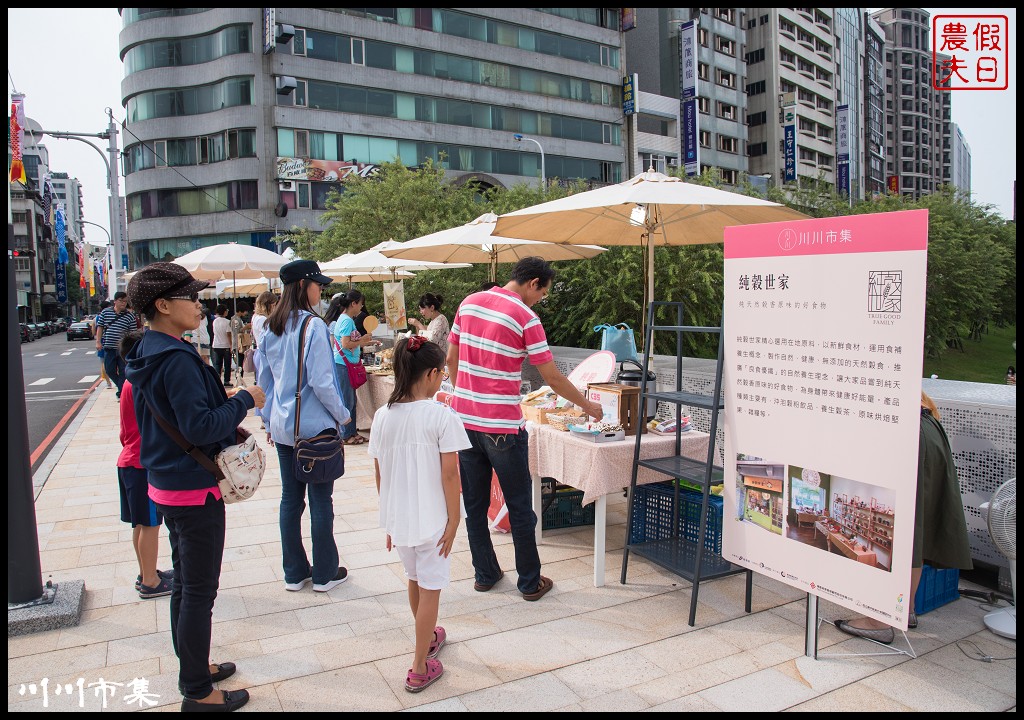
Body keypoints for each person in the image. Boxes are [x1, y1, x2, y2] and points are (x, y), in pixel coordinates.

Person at [124, 262, 265, 712]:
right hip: (193, 489)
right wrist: (244, 400)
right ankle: (198, 693)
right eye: (191, 297)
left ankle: (195, 666)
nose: (199, 304)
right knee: (198, 591)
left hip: (168, 484)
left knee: (186, 585)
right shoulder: (177, 358)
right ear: (163, 305)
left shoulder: (149, 351)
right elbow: (202, 427)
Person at [446, 257, 602, 602]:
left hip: (465, 422)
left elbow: (451, 360)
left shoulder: (468, 302)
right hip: (502, 426)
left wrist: (464, 396)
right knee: (520, 506)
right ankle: (529, 582)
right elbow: (553, 377)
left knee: (474, 505)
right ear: (533, 283)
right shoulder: (526, 317)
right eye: (542, 293)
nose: (540, 300)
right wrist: (588, 406)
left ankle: (485, 574)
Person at [368, 335, 470, 693]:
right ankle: (418, 666)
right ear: (429, 374)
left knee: (415, 578)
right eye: (441, 372)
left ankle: (425, 640)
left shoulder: (382, 416)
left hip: (400, 517)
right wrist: (454, 520)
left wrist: (389, 516)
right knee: (431, 588)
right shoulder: (441, 415)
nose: (443, 378)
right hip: (432, 520)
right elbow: (450, 474)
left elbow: (380, 472)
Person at [835, 391, 973, 644]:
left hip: (909, 435)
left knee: (904, 531)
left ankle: (879, 619)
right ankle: (904, 608)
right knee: (914, 531)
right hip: (926, 431)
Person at [256, 259, 352, 594]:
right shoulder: (314, 327)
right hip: (314, 428)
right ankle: (325, 573)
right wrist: (343, 415)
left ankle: (295, 573)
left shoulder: (269, 326)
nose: (320, 291)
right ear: (303, 286)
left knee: (290, 500)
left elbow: (263, 383)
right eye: (317, 285)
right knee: (321, 501)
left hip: (283, 428)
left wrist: (267, 420)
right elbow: (323, 382)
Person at [117, 329, 173, 600]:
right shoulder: (139, 383)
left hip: (128, 460)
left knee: (140, 524)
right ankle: (150, 581)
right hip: (141, 463)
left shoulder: (129, 381)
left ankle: (146, 572)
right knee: (150, 525)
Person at [331, 289, 380, 446]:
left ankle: (351, 432)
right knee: (347, 401)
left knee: (350, 400)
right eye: (360, 304)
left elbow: (351, 341)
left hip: (345, 364)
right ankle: (346, 434)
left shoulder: (345, 319)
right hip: (344, 364)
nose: (361, 307)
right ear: (353, 303)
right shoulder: (346, 321)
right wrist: (363, 340)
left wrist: (368, 341)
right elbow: (346, 344)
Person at [95, 291, 138, 398]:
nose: (123, 303)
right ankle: (121, 387)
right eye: (121, 301)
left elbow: (133, 333)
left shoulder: (130, 316)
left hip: (123, 349)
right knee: (109, 370)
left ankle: (121, 392)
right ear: (115, 301)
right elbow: (100, 327)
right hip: (109, 347)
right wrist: (98, 341)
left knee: (124, 371)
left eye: (125, 301)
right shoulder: (105, 313)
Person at [211, 305, 233, 387]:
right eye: (226, 310)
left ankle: (217, 380)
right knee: (227, 364)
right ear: (224, 311)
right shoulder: (227, 322)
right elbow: (228, 334)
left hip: (216, 345)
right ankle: (226, 381)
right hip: (225, 345)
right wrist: (231, 345)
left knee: (217, 364)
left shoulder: (215, 321)